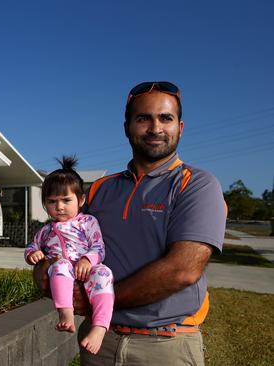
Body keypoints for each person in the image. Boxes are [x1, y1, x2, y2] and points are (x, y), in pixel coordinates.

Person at [35, 81, 226, 365]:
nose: (155, 128)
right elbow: (62, 240)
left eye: (166, 118)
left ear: (180, 128)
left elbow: (183, 270)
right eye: (143, 118)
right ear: (127, 127)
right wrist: (43, 271)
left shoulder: (196, 184)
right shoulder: (99, 190)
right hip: (101, 341)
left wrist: (99, 299)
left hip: (165, 345)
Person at [24, 156, 114, 355]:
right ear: (45, 204)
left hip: (86, 268)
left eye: (66, 200)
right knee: (60, 266)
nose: (60, 207)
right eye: (52, 202)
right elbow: (32, 246)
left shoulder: (87, 222)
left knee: (105, 274)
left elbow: (98, 247)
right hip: (62, 271)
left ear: (80, 200)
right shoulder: (46, 230)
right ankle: (66, 314)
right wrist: (33, 254)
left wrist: (87, 259)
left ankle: (99, 327)